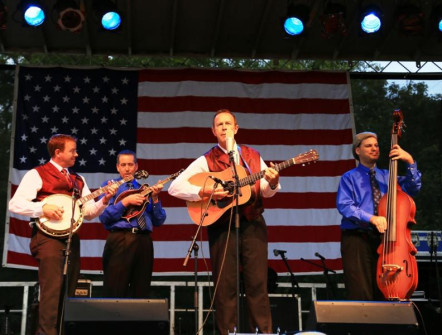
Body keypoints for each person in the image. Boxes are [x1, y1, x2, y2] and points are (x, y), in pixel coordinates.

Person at [168, 109, 281, 334]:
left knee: (257, 284)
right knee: (225, 286)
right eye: (219, 124)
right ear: (213, 131)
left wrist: (274, 181)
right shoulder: (206, 159)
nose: (224, 127)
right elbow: (174, 188)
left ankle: (263, 332)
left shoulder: (252, 156)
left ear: (236, 128)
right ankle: (227, 332)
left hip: (253, 223)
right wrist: (206, 190)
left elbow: (265, 191)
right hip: (222, 226)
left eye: (228, 123)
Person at [9, 134, 116, 335]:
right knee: (51, 293)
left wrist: (105, 199)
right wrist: (43, 208)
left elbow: (90, 212)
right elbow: (15, 204)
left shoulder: (77, 179)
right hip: (48, 239)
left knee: (68, 292)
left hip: (71, 239)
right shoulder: (37, 174)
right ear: (58, 153)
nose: (77, 154)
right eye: (72, 150)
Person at [336, 131, 422, 300]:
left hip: (385, 238)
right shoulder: (349, 177)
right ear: (357, 151)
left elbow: (413, 189)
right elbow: (344, 205)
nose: (374, 149)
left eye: (376, 145)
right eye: (368, 146)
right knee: (360, 289)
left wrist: (409, 161)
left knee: (384, 288)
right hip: (357, 238)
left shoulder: (389, 176)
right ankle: (363, 325)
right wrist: (371, 218)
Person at [98, 150, 166, 298]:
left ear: (136, 166)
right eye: (123, 165)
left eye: (130, 164)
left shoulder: (145, 190)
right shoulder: (110, 187)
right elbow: (104, 217)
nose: (127, 169)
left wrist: (155, 199)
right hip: (120, 239)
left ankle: (137, 321)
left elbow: (159, 220)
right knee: (115, 288)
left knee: (141, 290)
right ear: (117, 167)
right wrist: (124, 203)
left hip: (144, 241)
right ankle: (114, 320)